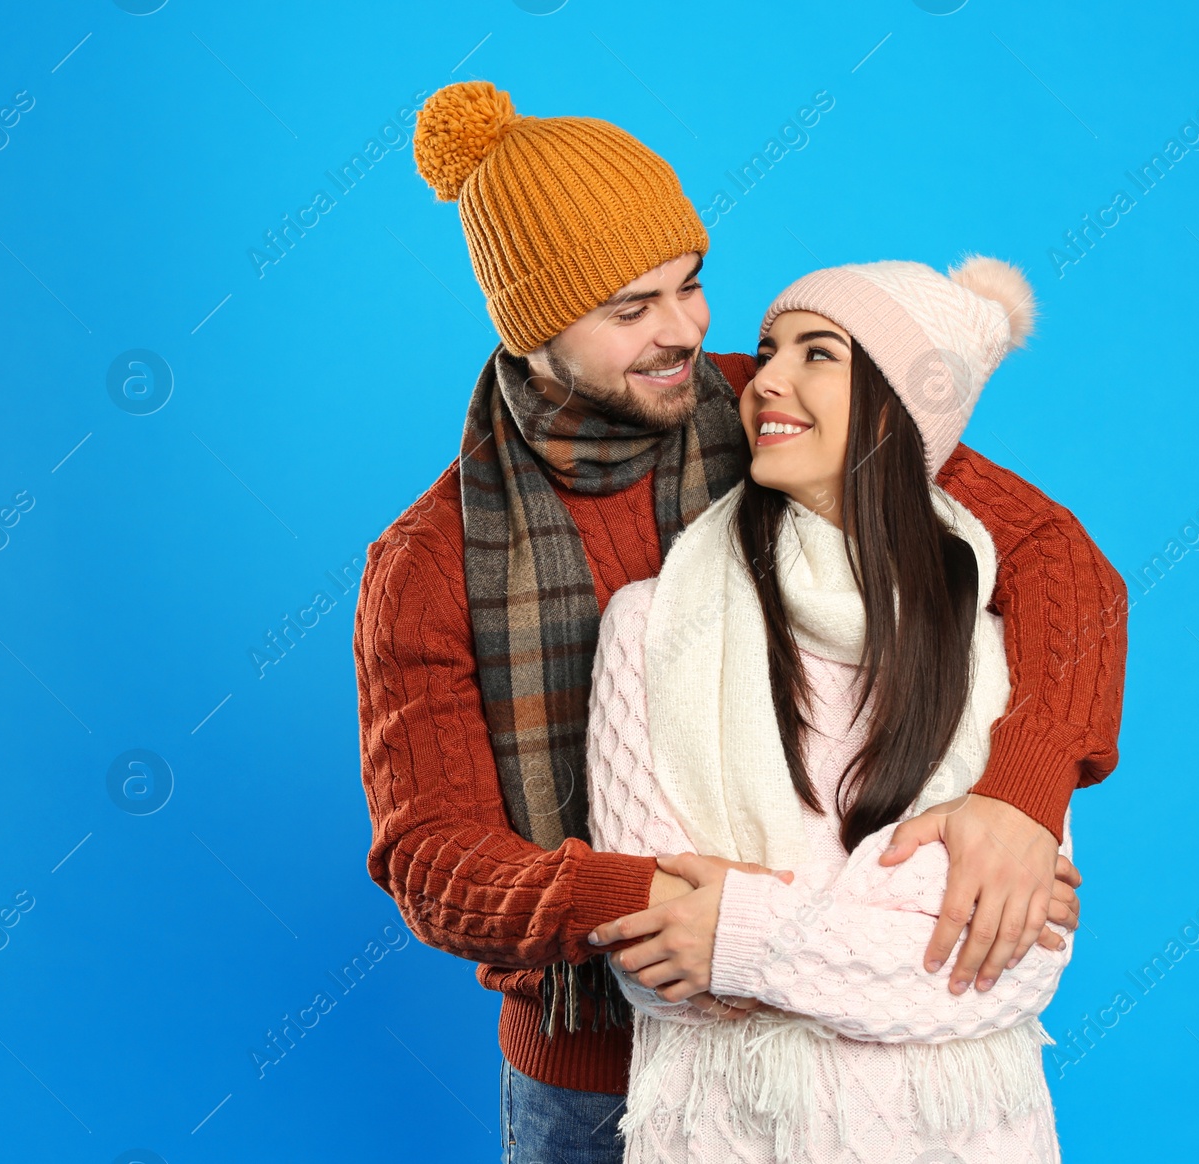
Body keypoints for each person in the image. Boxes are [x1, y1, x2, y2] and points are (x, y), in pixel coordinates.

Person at [352, 80, 1127, 1163]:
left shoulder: (773, 412)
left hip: (856, 1056)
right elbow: (433, 859)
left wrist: (1021, 793)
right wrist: (648, 906)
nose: (686, 332)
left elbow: (1057, 559)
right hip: (590, 1077)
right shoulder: (430, 564)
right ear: (537, 330)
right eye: (631, 310)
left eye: (691, 284)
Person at [583, 257, 1078, 1161]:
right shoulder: (650, 626)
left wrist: (736, 933)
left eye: (819, 355)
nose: (765, 377)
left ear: (902, 409)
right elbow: (652, 954)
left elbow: (1020, 964)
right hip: (731, 1134)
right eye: (770, 350)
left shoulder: (992, 637)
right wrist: (896, 935)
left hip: (962, 1138)